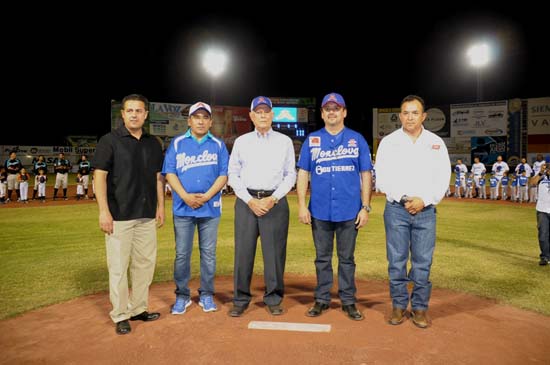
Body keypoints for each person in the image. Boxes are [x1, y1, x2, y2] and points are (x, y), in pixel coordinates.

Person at [375, 95, 451, 328]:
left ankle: (419, 308)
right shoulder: (389, 142)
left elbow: (443, 177)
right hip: (397, 208)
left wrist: (424, 200)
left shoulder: (436, 142)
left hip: (426, 211)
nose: (410, 117)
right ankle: (398, 306)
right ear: (400, 116)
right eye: (406, 113)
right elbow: (382, 175)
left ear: (423, 116)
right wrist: (405, 198)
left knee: (422, 262)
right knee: (396, 260)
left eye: (414, 113)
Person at [93, 94, 165, 335]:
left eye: (139, 110)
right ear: (122, 114)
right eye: (130, 110)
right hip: (119, 215)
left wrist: (161, 207)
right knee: (119, 267)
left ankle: (138, 309)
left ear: (145, 115)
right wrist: (103, 211)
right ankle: (121, 313)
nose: (134, 114)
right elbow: (99, 176)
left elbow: (157, 177)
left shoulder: (153, 143)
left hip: (146, 214)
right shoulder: (109, 141)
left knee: (145, 265)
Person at [296, 92, 373, 321]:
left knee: (347, 259)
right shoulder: (312, 140)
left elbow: (366, 174)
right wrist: (302, 205)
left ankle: (348, 301)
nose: (332, 112)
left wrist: (365, 206)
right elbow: (303, 173)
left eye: (336, 108)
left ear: (344, 112)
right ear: (322, 113)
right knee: (322, 258)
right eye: (328, 108)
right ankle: (322, 299)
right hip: (319, 210)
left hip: (350, 210)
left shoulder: (356, 139)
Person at [227, 96, 296, 317]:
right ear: (251, 116)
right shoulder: (242, 141)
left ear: (272, 115)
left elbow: (290, 174)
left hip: (274, 202)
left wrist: (273, 198)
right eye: (258, 111)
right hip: (247, 202)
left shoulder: (284, 141)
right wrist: (250, 200)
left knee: (274, 255)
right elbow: (233, 174)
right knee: (243, 254)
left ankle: (273, 297)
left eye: (266, 111)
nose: (263, 115)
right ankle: (240, 298)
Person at [162, 101, 229, 315]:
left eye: (205, 117)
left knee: (208, 254)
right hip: (183, 208)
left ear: (210, 122)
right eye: (196, 117)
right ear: (189, 120)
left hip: (210, 209)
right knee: (182, 254)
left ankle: (206, 294)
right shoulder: (178, 143)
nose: (200, 120)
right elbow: (170, 173)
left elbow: (223, 175)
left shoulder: (218, 145)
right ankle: (182, 295)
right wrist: (185, 196)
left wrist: (206, 196)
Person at [532, 162, 549, 265]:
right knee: (543, 235)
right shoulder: (541, 178)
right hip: (542, 210)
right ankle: (545, 256)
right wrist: (540, 173)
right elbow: (532, 183)